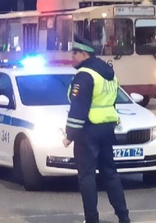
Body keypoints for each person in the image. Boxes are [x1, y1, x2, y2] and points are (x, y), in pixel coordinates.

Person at [63, 34, 131, 223]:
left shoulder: (85, 75)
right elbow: (112, 100)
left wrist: (70, 135)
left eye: (75, 53)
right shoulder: (108, 72)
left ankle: (91, 219)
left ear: (84, 54)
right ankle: (123, 216)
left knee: (87, 176)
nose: (73, 57)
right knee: (110, 173)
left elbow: (78, 108)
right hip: (107, 128)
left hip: (88, 130)